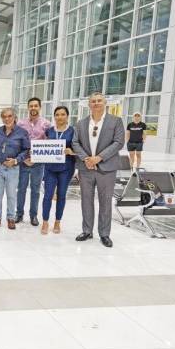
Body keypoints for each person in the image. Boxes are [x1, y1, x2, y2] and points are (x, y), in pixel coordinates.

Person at [73, 92, 125, 248]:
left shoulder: (115, 121)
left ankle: (104, 234)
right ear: (89, 104)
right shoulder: (81, 123)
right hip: (86, 168)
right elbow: (75, 143)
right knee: (86, 200)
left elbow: (118, 142)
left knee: (105, 201)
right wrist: (86, 159)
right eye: (93, 101)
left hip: (107, 168)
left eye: (99, 101)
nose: (96, 103)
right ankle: (87, 231)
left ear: (105, 103)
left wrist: (99, 157)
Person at [0, 108, 31, 230]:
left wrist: (16, 160)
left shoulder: (22, 132)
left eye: (9, 116)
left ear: (14, 117)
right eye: (4, 116)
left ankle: (10, 218)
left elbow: (26, 150)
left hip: (14, 168)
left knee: (11, 194)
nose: (7, 119)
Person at [16, 97, 51, 226]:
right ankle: (19, 214)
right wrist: (24, 158)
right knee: (21, 189)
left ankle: (33, 215)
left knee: (36, 190)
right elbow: (17, 143)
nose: (33, 108)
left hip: (38, 163)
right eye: (31, 106)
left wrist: (37, 157)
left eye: (36, 106)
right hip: (23, 162)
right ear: (28, 107)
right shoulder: (20, 124)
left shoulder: (46, 124)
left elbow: (49, 143)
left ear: (40, 107)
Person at [41, 106, 76, 235]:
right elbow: (43, 147)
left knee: (61, 195)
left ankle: (57, 222)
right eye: (57, 114)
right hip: (50, 168)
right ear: (54, 116)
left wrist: (71, 151)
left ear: (67, 116)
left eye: (62, 114)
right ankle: (45, 221)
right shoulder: (49, 131)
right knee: (48, 195)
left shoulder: (73, 131)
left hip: (66, 168)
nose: (59, 117)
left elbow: (78, 149)